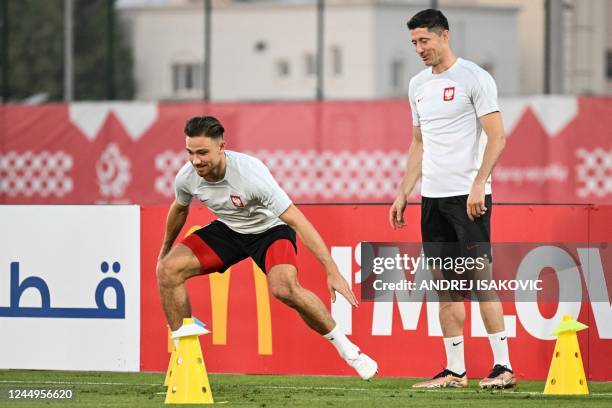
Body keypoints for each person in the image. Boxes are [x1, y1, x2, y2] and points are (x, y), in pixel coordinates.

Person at [156, 116, 377, 380]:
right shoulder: (187, 177)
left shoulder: (250, 175)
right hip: (228, 229)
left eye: (202, 153)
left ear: (221, 147)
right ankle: (184, 363)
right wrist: (164, 252)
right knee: (168, 271)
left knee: (284, 289)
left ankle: (349, 351)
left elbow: (297, 220)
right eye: (190, 152)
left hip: (269, 231)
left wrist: (332, 269)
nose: (195, 161)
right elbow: (179, 209)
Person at [389, 9, 515, 389]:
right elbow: (418, 143)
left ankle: (503, 367)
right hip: (434, 199)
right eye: (413, 43)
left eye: (424, 40)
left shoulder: (475, 77)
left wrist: (480, 183)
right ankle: (455, 371)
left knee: (481, 278)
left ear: (445, 36)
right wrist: (403, 191)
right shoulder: (417, 85)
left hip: (468, 197)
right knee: (445, 284)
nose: (419, 49)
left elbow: (497, 137)